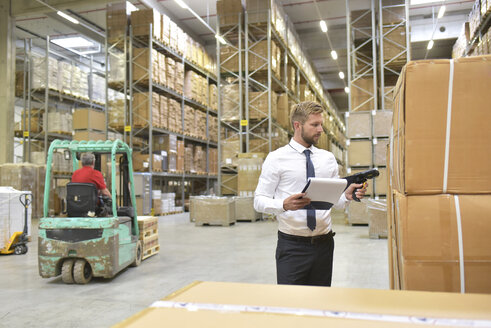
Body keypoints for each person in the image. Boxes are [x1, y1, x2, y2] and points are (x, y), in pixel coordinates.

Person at [254, 101, 367, 287]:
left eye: (321, 124)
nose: (320, 129)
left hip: (324, 245)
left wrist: (346, 197)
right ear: (297, 126)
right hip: (292, 247)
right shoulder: (276, 159)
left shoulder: (327, 159)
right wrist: (283, 205)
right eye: (314, 125)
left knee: (320, 303)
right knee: (292, 305)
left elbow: (333, 202)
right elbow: (259, 200)